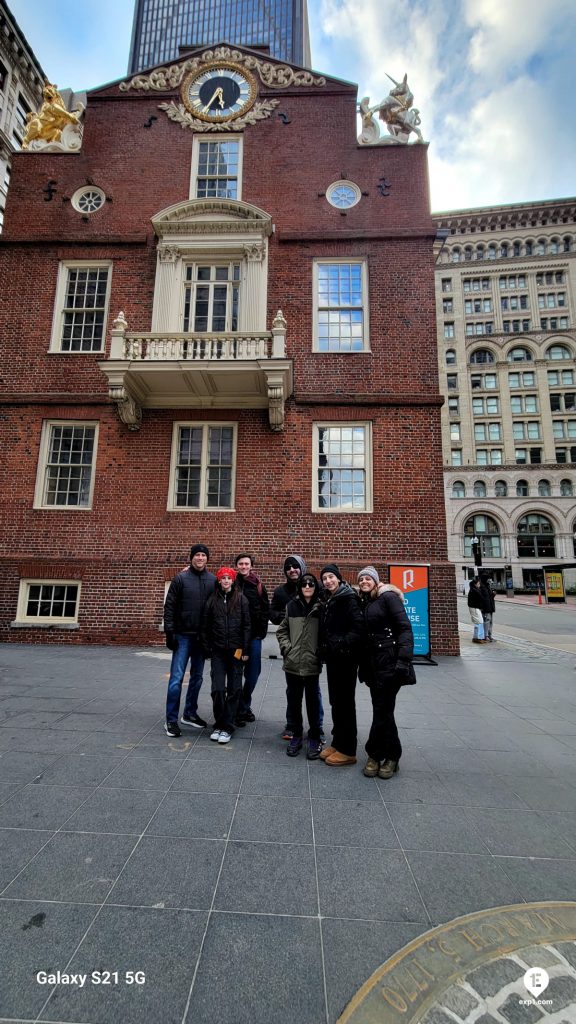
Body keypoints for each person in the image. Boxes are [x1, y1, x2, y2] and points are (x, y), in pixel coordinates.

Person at [357, 567, 415, 779]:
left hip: (390, 662)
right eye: (361, 579)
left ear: (376, 581)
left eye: (368, 578)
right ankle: (389, 755)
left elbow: (404, 629)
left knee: (382, 708)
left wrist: (403, 661)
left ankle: (377, 754)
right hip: (374, 665)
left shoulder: (388, 597)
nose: (364, 581)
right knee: (382, 710)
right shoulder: (366, 601)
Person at [163, 543, 216, 737]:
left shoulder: (213, 580)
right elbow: (169, 607)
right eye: (197, 555)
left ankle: (190, 713)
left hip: (201, 638)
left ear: (207, 558)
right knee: (176, 679)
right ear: (191, 558)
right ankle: (171, 720)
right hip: (182, 636)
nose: (200, 558)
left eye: (203, 555)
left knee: (197, 677)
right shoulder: (180, 579)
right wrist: (170, 632)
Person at [270, 555, 324, 740]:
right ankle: (292, 726)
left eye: (295, 566)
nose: (292, 569)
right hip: (293, 651)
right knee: (292, 692)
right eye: (288, 567)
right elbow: (274, 614)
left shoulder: (320, 595)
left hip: (311, 653)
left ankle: (317, 728)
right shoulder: (281, 593)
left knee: (313, 693)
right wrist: (287, 647)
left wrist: (320, 649)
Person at [318, 564, 364, 766]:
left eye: (331, 577)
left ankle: (348, 750)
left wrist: (340, 643)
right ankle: (338, 742)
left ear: (339, 578)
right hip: (334, 658)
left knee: (345, 703)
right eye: (325, 578)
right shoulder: (331, 598)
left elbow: (357, 629)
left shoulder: (349, 598)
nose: (328, 581)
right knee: (336, 701)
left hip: (346, 658)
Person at [200, 567, 251, 744]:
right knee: (218, 689)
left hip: (236, 651)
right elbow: (205, 625)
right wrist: (207, 647)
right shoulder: (212, 600)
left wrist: (245, 650)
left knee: (235, 688)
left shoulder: (241, 599)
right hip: (218, 651)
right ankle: (219, 724)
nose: (226, 580)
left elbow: (246, 626)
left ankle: (227, 727)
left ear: (233, 580)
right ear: (219, 581)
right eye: (223, 578)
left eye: (229, 578)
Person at [234, 553, 270, 724]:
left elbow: (265, 609)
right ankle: (238, 708)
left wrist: (261, 631)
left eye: (246, 563)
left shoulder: (258, 585)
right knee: (235, 673)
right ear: (236, 566)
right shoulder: (231, 582)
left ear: (251, 566)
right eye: (240, 563)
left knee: (253, 673)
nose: (243, 566)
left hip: (254, 636)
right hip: (235, 637)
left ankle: (244, 703)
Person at [467, 577, 487, 643]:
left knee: (478, 622)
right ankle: (478, 638)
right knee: (479, 622)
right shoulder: (474, 590)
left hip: (475, 607)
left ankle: (478, 637)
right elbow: (481, 598)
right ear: (475, 584)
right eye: (478, 583)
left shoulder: (474, 590)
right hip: (475, 608)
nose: (479, 584)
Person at [479, 574, 496, 641]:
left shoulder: (488, 586)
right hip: (485, 607)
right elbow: (481, 598)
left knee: (490, 622)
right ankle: (485, 636)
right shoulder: (481, 587)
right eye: (488, 579)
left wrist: (493, 594)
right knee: (487, 621)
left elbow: (489, 597)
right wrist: (481, 607)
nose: (489, 580)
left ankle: (489, 635)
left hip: (490, 606)